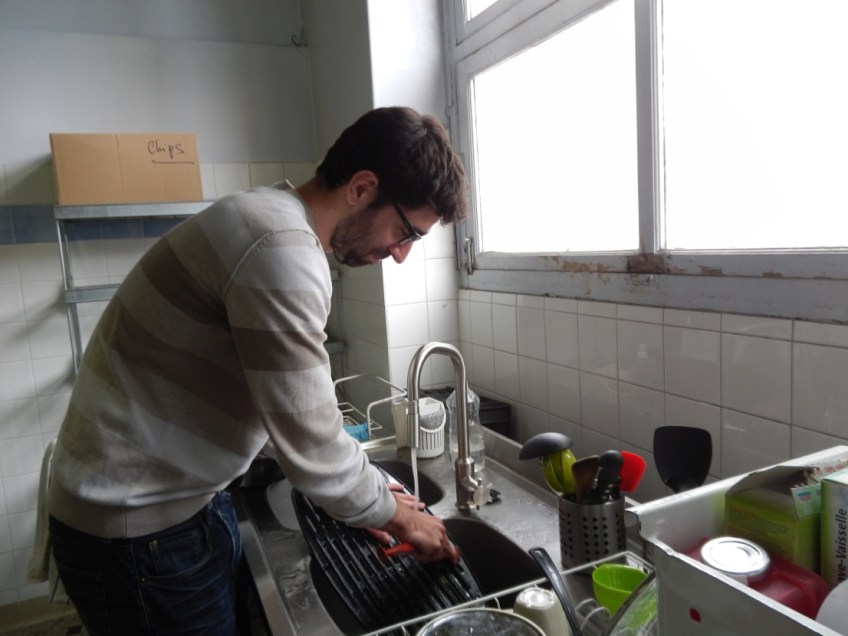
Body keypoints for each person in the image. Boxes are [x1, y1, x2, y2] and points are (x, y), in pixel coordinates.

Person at [46, 106, 468, 635]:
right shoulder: (280, 249)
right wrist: (400, 517)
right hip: (140, 533)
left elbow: (284, 409)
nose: (401, 254)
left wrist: (373, 499)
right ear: (362, 188)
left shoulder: (268, 217)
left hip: (172, 509)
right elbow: (314, 447)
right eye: (407, 232)